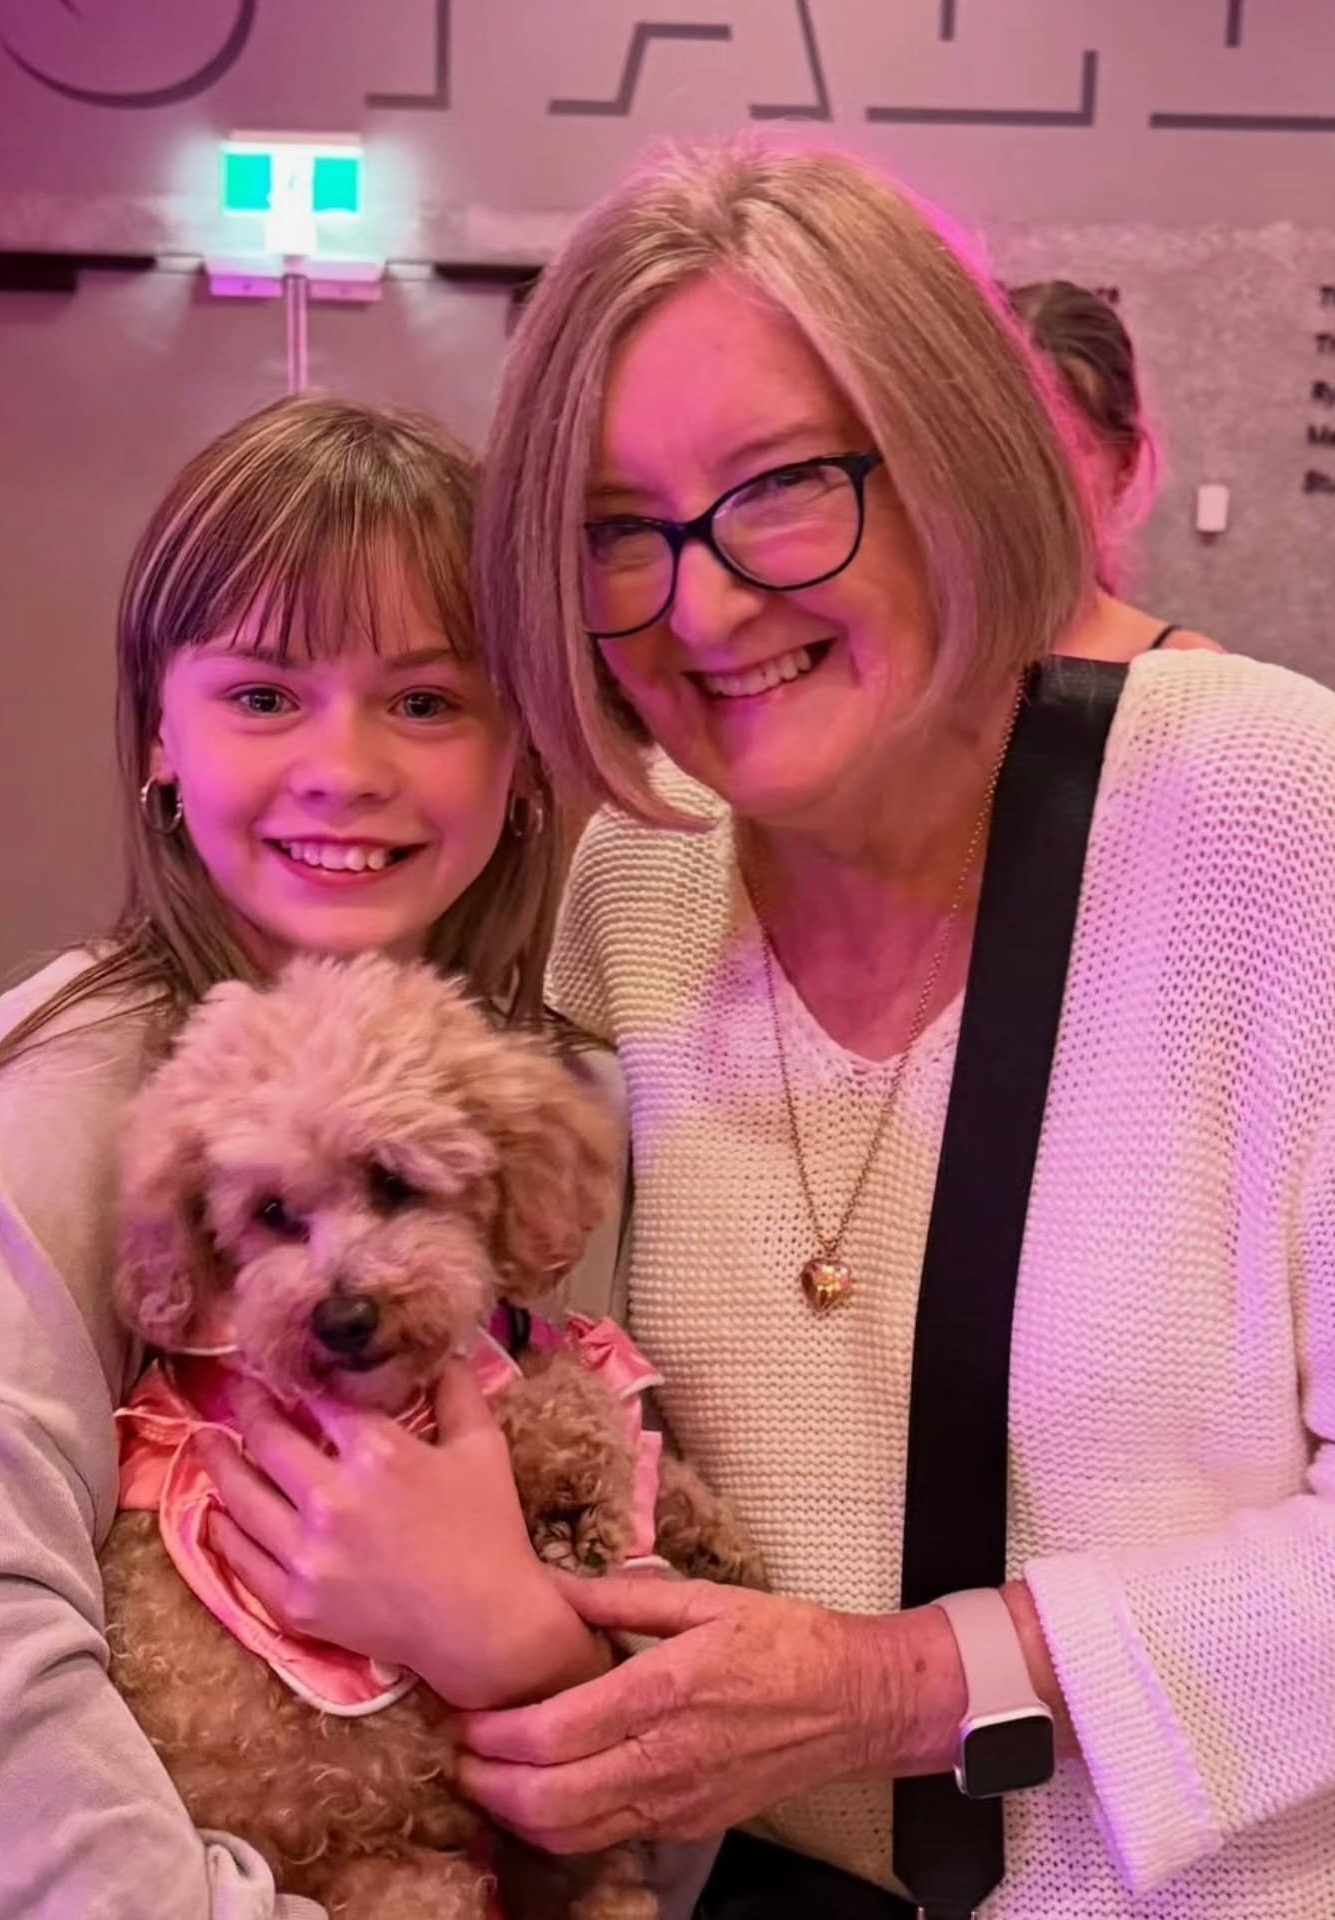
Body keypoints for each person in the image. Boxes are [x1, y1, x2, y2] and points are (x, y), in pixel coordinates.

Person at [447, 139, 1330, 1917]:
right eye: (618, 531)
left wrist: (905, 1685)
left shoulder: (1270, 821)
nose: (699, 604)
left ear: (951, 455)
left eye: (782, 488)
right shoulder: (638, 880)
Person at [0, 395, 616, 1919]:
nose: (343, 768)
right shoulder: (78, 1072)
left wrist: (523, 1644)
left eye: (426, 702)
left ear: (530, 747)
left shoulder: (557, 1085)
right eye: (266, 696)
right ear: (160, 730)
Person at [1007, 277, 1221, 661]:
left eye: (1064, 449)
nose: (1025, 476)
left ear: (1123, 464)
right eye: (1003, 445)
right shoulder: (907, 658)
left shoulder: (1184, 675)